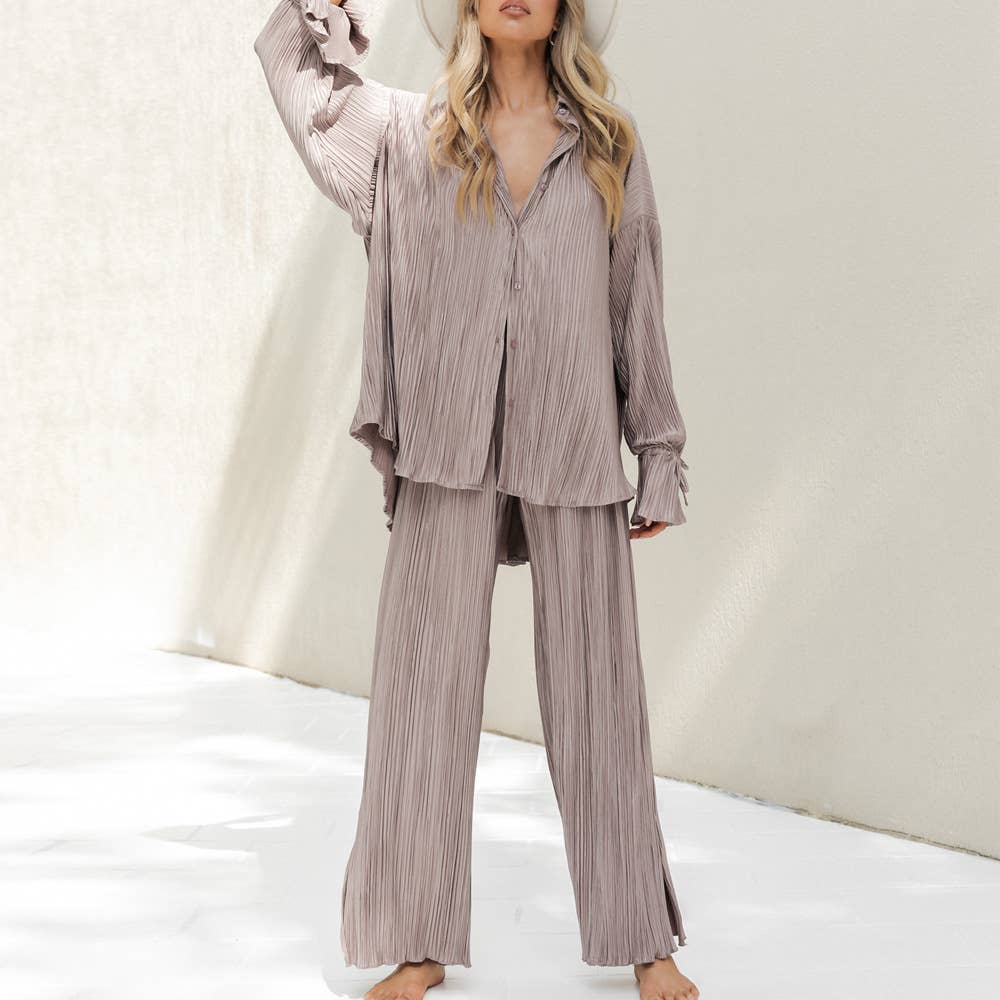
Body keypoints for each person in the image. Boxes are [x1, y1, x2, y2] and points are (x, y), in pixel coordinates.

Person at [253, 2, 697, 998]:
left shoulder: (609, 144)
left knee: (599, 697)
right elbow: (298, 78)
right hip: (446, 443)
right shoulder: (404, 135)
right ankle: (417, 939)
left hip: (572, 438)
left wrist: (658, 450)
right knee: (423, 692)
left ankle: (645, 940)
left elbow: (635, 299)